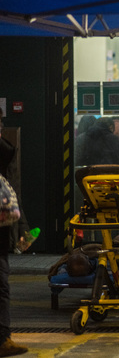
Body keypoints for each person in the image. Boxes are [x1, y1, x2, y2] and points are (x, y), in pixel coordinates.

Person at [0, 123, 28, 356]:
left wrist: (23, 228)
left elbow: (11, 196)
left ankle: (3, 338)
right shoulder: (6, 150)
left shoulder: (7, 151)